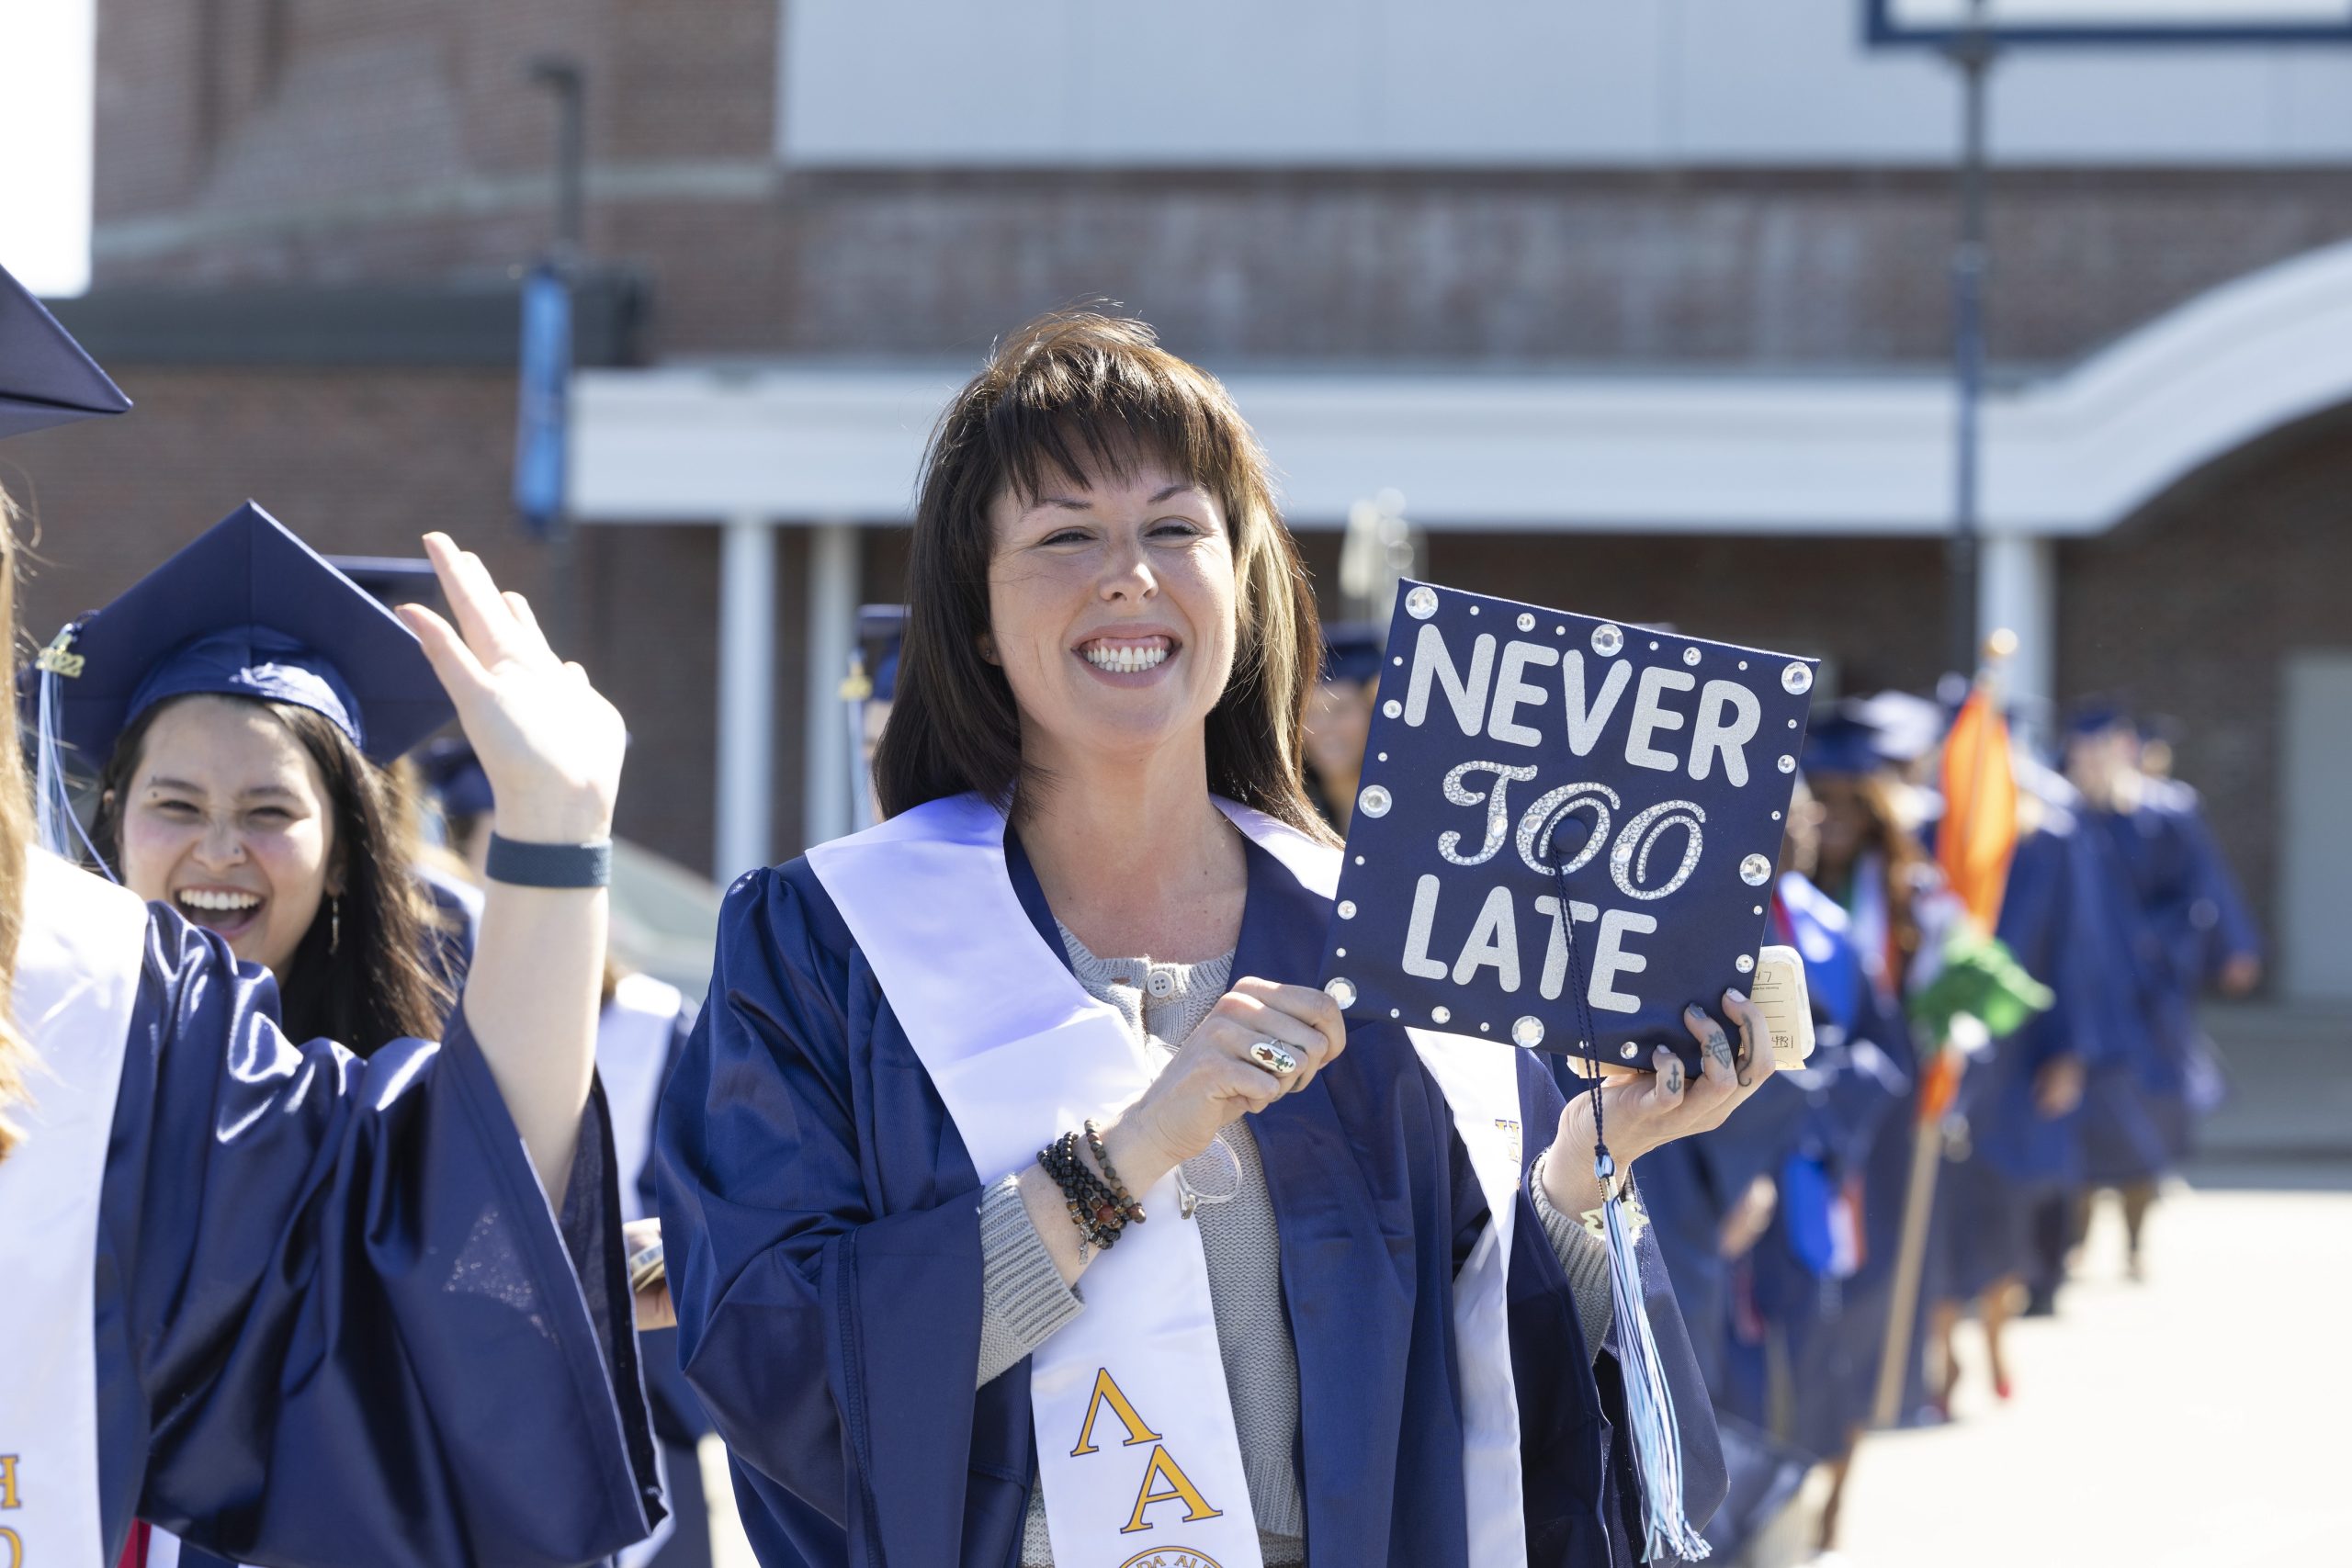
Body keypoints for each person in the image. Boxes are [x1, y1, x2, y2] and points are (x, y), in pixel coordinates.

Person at [657, 310, 1775, 1568]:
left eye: (1176, 529)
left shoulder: (1386, 936)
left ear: (1240, 584)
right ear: (972, 615)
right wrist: (1126, 1158)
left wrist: (1583, 1178)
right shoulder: (833, 947)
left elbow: (1499, 1408)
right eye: (1066, 535)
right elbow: (774, 1355)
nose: (1128, 574)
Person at [0, 261, 662, 1565]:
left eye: (268, 813)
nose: (218, 854)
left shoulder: (88, 1006)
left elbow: (418, 1244)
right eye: (174, 806)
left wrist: (553, 847)